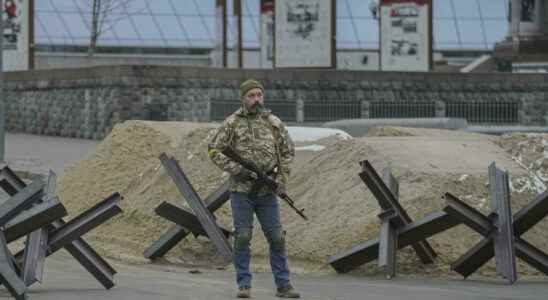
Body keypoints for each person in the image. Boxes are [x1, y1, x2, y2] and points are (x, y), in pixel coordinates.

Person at [208, 79, 300, 298]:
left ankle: (284, 285)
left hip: (267, 192)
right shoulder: (232, 123)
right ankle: (244, 285)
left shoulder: (274, 123)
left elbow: (288, 152)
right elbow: (213, 150)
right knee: (242, 237)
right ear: (243, 98)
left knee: (277, 237)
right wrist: (237, 169)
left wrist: (281, 180)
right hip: (241, 191)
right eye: (251, 95)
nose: (256, 99)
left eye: (259, 95)